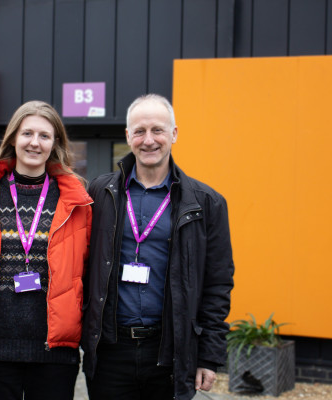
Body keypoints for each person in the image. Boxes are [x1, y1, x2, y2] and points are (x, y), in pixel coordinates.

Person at [82, 94, 234, 400]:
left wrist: (208, 356)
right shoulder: (99, 193)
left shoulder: (206, 203)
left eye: (158, 130)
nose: (148, 140)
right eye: (139, 131)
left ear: (174, 134)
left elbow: (218, 284)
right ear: (127, 137)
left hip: (170, 352)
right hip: (111, 352)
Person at [0, 100, 92, 400]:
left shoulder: (78, 202)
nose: (35, 143)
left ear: (55, 143)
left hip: (54, 351)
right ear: (13, 139)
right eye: (27, 133)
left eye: (44, 136)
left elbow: (88, 268)